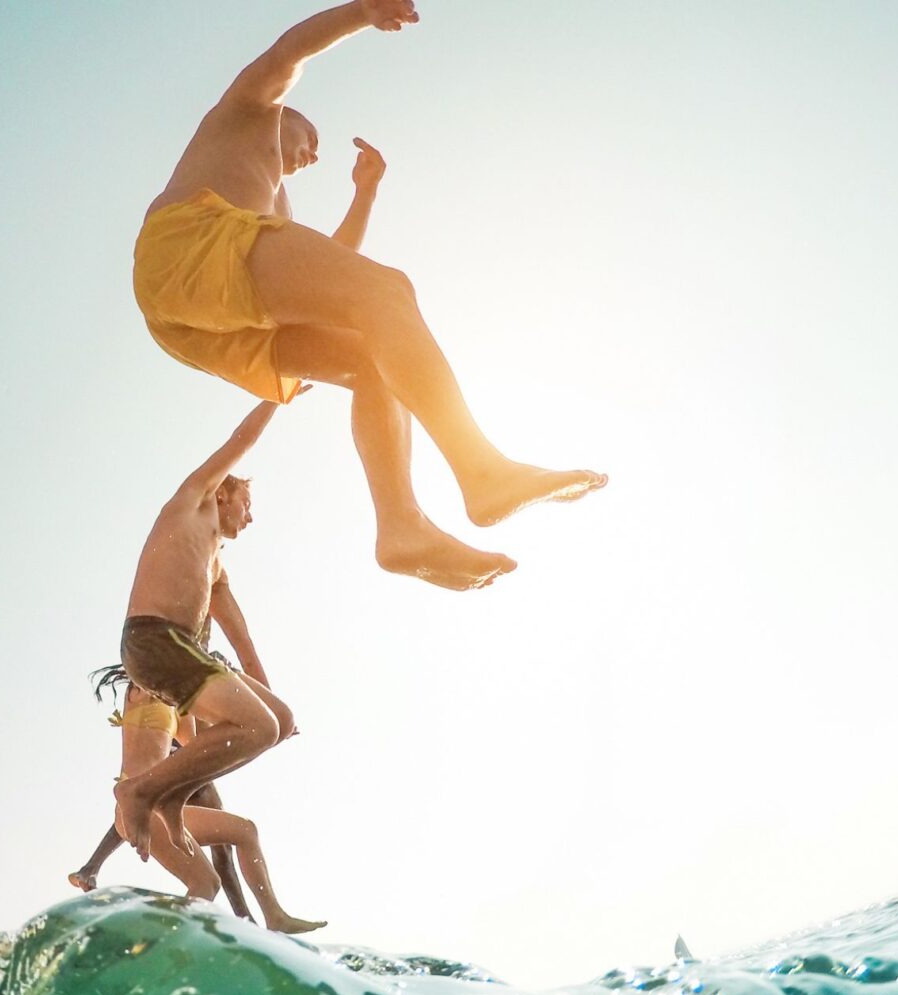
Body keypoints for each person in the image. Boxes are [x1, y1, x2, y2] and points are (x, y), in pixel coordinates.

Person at [132, 0, 605, 592]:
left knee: (371, 352)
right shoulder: (249, 111)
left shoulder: (272, 206)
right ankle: (482, 471)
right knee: (389, 292)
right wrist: (361, 12)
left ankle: (400, 527)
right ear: (289, 117)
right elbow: (288, 52)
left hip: (194, 319)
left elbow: (328, 274)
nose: (315, 152)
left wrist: (365, 193)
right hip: (185, 247)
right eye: (311, 137)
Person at [112, 399, 297, 867]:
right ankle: (142, 792)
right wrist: (279, 393)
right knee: (260, 726)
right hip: (153, 639)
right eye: (247, 505)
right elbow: (242, 441)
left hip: (185, 652)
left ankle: (175, 794)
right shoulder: (193, 500)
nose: (250, 518)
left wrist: (266, 696)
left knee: (279, 720)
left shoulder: (214, 565)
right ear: (224, 495)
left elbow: (241, 637)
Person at [113, 685, 324, 934]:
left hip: (159, 808)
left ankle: (274, 917)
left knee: (245, 831)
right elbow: (150, 659)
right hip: (139, 804)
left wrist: (268, 733)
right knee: (205, 883)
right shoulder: (142, 689)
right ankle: (158, 943)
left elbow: (203, 744)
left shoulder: (179, 706)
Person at [70, 662, 254, 924]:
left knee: (232, 850)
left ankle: (252, 921)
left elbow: (194, 741)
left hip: (142, 804)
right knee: (207, 882)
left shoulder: (155, 699)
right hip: (143, 803)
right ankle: (161, 938)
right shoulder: (153, 693)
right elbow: (197, 742)